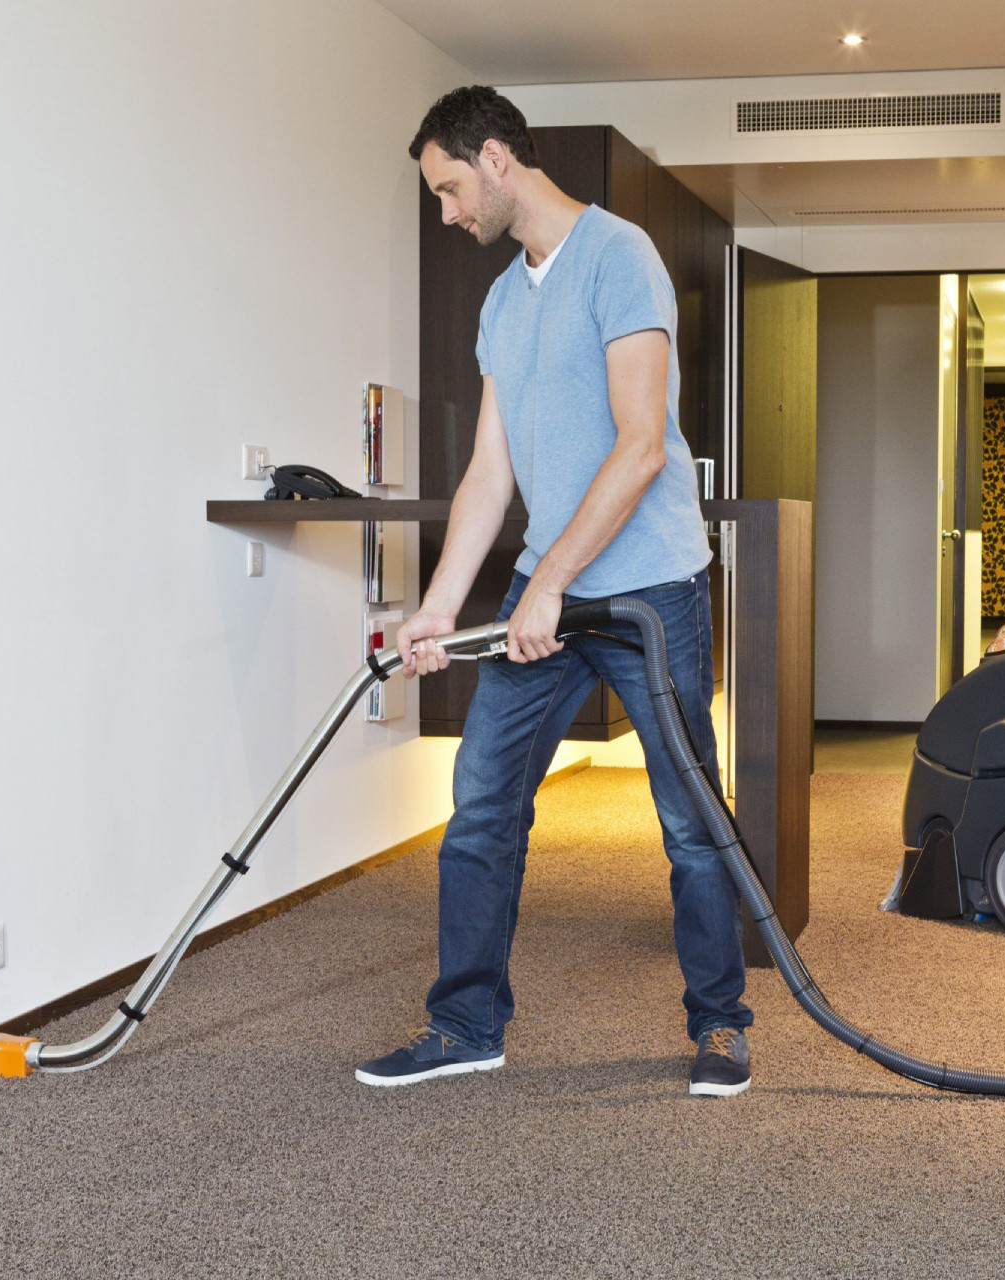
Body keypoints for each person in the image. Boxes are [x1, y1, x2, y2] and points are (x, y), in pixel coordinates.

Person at [354, 86, 752, 1097]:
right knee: (483, 799)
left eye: (448, 188)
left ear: (494, 160)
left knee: (687, 815)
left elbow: (641, 443)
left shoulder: (619, 258)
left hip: (649, 587)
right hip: (550, 586)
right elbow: (491, 472)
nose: (445, 212)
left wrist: (556, 580)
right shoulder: (499, 300)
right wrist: (440, 606)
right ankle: (465, 1023)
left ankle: (719, 1023)